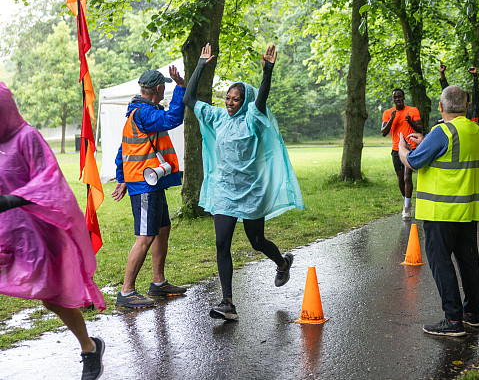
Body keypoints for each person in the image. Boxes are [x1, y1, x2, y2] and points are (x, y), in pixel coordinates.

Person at [184, 43, 304, 321]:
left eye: (235, 99)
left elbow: (261, 98)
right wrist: (201, 65)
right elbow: (189, 99)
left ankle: (282, 263)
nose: (229, 102)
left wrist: (268, 71)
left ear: (244, 101)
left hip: (251, 192)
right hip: (224, 191)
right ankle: (227, 302)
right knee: (221, 243)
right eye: (227, 97)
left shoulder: (252, 117)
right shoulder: (216, 116)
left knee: (257, 241)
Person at [0, 82, 106, 380]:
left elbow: (49, 181)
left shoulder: (27, 137)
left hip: (42, 234)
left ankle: (89, 348)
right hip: (10, 235)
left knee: (51, 296)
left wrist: (11, 199)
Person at [398, 85, 479, 337]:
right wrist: (427, 143)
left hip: (440, 212)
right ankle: (472, 315)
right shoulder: (475, 130)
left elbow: (413, 161)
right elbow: (454, 153)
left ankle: (453, 320)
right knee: (468, 262)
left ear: (441, 106)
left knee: (441, 263)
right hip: (467, 210)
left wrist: (404, 148)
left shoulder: (442, 131)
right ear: (466, 106)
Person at [112, 66, 188, 308]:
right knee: (145, 237)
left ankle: (158, 282)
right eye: (165, 86)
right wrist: (181, 87)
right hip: (144, 185)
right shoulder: (144, 113)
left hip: (151, 182)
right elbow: (174, 118)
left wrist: (121, 177)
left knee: (162, 229)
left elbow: (123, 150)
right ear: (158, 88)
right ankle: (126, 292)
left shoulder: (141, 113)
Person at [381, 88, 423, 219]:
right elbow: (383, 132)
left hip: (411, 148)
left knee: (407, 177)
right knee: (400, 179)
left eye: (400, 96)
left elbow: (420, 128)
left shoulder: (413, 110)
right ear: (393, 99)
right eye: (395, 97)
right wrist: (391, 120)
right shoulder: (388, 113)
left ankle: (406, 208)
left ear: (403, 97)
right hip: (396, 149)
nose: (398, 99)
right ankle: (407, 200)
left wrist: (410, 121)